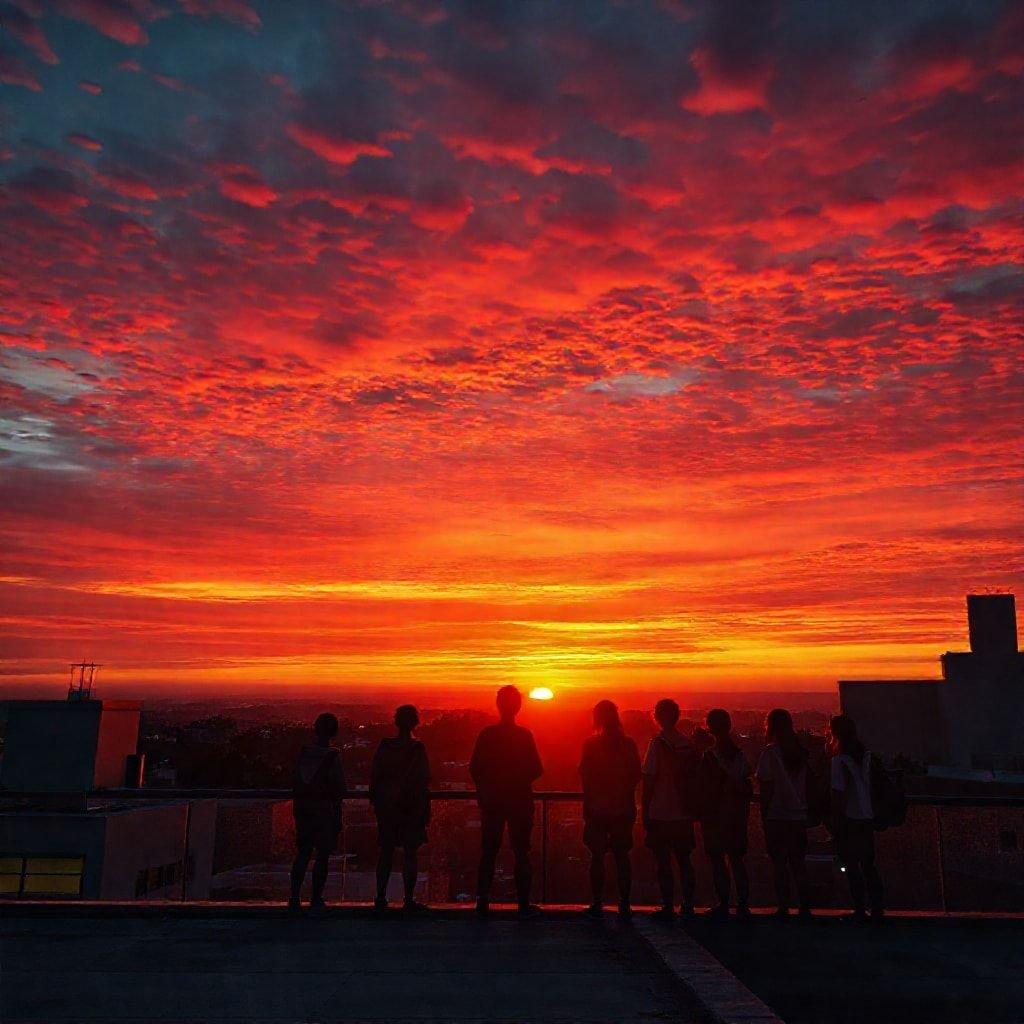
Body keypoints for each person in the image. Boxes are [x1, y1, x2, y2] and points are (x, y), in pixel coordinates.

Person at [470, 685, 544, 919]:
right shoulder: (524, 736)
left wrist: (488, 789)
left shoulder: (487, 736)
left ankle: (482, 901)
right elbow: (537, 769)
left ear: (498, 705)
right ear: (518, 706)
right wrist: (516, 779)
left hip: (492, 802)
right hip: (520, 801)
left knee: (488, 852)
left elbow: (475, 769)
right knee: (522, 852)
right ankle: (523, 903)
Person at [579, 700, 642, 919]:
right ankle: (624, 902)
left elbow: (585, 778)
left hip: (597, 809)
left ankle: (597, 902)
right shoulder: (629, 745)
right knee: (622, 858)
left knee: (597, 858)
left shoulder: (591, 745)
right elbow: (636, 776)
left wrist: (589, 803)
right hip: (623, 809)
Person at [370, 704, 431, 914]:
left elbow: (375, 775)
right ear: (416, 722)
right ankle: (408, 899)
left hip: (387, 808)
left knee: (386, 853)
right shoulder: (417, 749)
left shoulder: (385, 747)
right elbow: (424, 779)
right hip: (411, 809)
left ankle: (380, 897)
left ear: (396, 721)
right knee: (410, 854)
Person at [642, 698, 699, 921]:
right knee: (685, 861)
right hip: (683, 812)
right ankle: (688, 903)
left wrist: (645, 811)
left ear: (657, 716)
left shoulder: (657, 744)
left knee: (664, 862)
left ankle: (667, 904)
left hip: (661, 811)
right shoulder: (687, 745)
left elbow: (648, 780)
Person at [756, 708, 811, 920]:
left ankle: (783, 906)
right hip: (798, 816)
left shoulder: (770, 754)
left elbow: (766, 790)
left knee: (780, 865)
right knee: (798, 863)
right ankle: (804, 906)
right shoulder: (801, 754)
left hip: (777, 816)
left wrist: (764, 817)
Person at [828, 714, 884, 922]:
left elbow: (838, 795)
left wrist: (836, 823)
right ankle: (877, 908)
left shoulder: (839, 761)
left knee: (852, 865)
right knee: (869, 864)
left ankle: (860, 909)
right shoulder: (867, 757)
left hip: (850, 819)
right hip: (867, 817)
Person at [289, 712, 346, 916]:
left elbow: (294, 779)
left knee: (302, 854)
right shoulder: (332, 756)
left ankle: (294, 897)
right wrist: (338, 816)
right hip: (323, 812)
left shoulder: (304, 752)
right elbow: (339, 789)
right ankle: (315, 898)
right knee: (322, 857)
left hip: (303, 810)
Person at [699, 708, 752, 922]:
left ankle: (723, 902)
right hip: (737, 815)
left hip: (715, 815)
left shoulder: (710, 757)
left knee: (718, 861)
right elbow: (747, 784)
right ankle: (743, 903)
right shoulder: (739, 755)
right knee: (737, 860)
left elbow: (704, 788)